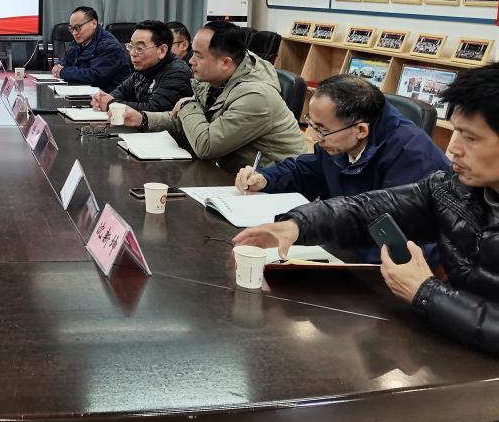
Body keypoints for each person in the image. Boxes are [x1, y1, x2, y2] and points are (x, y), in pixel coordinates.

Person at [234, 64, 499, 357]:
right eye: (457, 132)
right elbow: (371, 207)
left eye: (470, 138)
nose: (454, 149)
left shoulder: (415, 155)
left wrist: (427, 292)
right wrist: (297, 225)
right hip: (452, 338)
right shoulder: (452, 187)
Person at [121, 20, 305, 174]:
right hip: (232, 174)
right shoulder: (215, 79)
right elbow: (191, 123)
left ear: (225, 62)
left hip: (273, 186)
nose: (190, 61)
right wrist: (143, 119)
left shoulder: (256, 97)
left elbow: (206, 145)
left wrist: (187, 105)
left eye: (198, 56)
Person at [236, 74, 450, 199]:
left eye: (321, 129)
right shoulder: (338, 140)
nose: (313, 137)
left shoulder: (413, 157)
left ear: (361, 130)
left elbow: (391, 226)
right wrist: (266, 178)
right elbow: (307, 171)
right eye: (311, 123)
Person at [91, 20, 192, 113]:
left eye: (140, 48)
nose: (132, 53)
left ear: (162, 50)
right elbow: (120, 92)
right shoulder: (144, 68)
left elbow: (154, 110)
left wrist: (111, 104)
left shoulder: (177, 73)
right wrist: (102, 99)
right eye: (131, 46)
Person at [51, 6, 131, 92]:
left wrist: (63, 72)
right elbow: (67, 60)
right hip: (87, 91)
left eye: (77, 27)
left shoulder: (109, 45)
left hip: (110, 95)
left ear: (94, 24)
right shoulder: (80, 41)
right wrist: (59, 66)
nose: (74, 33)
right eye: (71, 29)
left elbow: (95, 76)